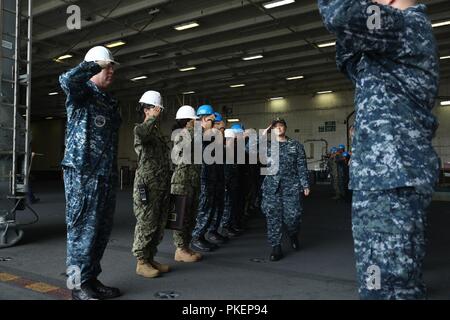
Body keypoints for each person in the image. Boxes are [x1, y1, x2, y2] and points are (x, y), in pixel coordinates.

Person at [319, 0, 440, 299]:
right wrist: (352, 33)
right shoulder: (388, 44)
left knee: (389, 288)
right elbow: (348, 58)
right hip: (383, 180)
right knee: (377, 279)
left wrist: (354, 20)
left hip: (393, 180)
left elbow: (341, 14)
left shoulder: (405, 26)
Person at [59, 46, 122, 300]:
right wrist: (94, 64)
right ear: (94, 67)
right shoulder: (82, 92)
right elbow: (66, 79)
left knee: (99, 231)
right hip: (82, 174)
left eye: (111, 68)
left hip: (105, 175)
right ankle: (77, 286)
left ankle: (91, 279)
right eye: (107, 67)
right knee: (80, 232)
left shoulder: (108, 101)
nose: (111, 72)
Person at [132, 90, 172, 278]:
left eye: (158, 110)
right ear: (146, 109)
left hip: (160, 185)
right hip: (147, 185)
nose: (158, 112)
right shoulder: (142, 128)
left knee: (158, 222)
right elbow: (142, 134)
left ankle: (150, 258)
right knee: (147, 222)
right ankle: (141, 262)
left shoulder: (157, 132)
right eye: (154, 109)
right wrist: (151, 119)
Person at [260, 118, 310, 261]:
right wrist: (264, 133)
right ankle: (276, 247)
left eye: (281, 126)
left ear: (285, 128)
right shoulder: (267, 145)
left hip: (291, 186)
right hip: (271, 187)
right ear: (272, 130)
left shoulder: (295, 145)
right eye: (275, 127)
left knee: (293, 217)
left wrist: (305, 184)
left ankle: (293, 234)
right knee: (273, 218)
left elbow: (301, 165)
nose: (279, 128)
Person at [170, 105, 203, 262]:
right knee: (181, 217)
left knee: (190, 216)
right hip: (181, 182)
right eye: (194, 121)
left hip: (191, 182)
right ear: (187, 122)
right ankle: (180, 249)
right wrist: (199, 127)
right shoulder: (180, 134)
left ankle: (186, 246)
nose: (196, 123)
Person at [190, 105, 220, 252]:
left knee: (209, 208)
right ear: (203, 119)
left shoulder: (206, 134)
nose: (213, 124)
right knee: (203, 208)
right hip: (202, 178)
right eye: (211, 120)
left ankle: (201, 236)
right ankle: (196, 237)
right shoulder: (197, 133)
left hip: (210, 176)